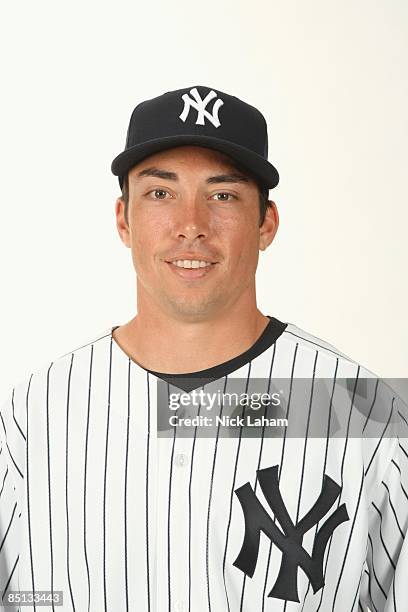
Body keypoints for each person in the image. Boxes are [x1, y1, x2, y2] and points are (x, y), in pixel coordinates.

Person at [0, 85, 407, 612]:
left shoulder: (363, 415)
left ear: (267, 223)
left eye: (223, 195)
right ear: (123, 219)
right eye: (161, 193)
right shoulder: (34, 418)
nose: (191, 226)